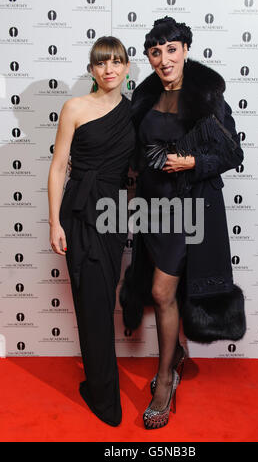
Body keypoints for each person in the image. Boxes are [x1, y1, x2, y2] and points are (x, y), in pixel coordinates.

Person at [119, 17, 245, 429]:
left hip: (190, 208)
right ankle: (175, 355)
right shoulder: (145, 96)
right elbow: (137, 148)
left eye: (171, 49)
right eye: (156, 52)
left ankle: (164, 379)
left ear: (186, 49)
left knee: (160, 290)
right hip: (153, 207)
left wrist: (193, 161)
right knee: (164, 293)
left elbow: (232, 154)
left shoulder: (207, 95)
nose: (164, 58)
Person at [47, 36, 135, 426]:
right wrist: (54, 222)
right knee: (89, 300)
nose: (109, 69)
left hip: (113, 212)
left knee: (102, 299)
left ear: (127, 68)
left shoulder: (137, 114)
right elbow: (58, 166)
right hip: (79, 212)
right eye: (101, 63)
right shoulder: (75, 107)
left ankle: (98, 385)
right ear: (92, 69)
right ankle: (104, 395)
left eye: (116, 62)